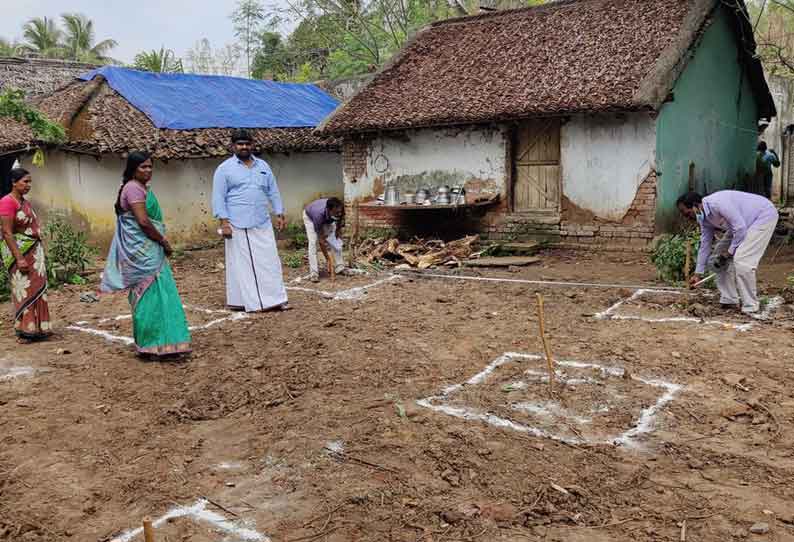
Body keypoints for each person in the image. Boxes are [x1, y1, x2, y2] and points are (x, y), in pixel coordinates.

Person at [101, 152, 192, 358]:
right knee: (150, 294)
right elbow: (142, 221)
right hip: (143, 252)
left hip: (148, 250)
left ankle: (166, 342)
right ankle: (152, 343)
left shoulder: (142, 188)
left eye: (150, 167)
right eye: (143, 167)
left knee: (160, 293)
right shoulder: (133, 188)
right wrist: (162, 240)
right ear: (133, 169)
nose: (148, 171)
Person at [212, 129, 289, 312]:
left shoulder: (263, 166)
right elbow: (218, 197)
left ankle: (276, 299)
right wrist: (224, 222)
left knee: (270, 261)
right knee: (243, 266)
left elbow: (273, 191)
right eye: (240, 144)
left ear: (252, 145)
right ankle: (250, 303)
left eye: (247, 143)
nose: (244, 147)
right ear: (233, 146)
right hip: (238, 224)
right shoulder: (224, 169)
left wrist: (279, 213)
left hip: (262, 221)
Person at [677, 190, 778, 314]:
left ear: (695, 205)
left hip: (762, 216)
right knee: (716, 259)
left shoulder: (718, 204)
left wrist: (729, 253)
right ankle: (729, 299)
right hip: (741, 225)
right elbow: (705, 244)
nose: (686, 217)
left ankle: (751, 305)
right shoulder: (704, 218)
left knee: (742, 260)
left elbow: (740, 229)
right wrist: (698, 273)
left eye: (686, 213)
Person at [0, 168, 52, 343]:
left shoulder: (24, 202)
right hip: (20, 253)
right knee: (24, 290)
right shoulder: (7, 202)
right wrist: (19, 258)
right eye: (25, 181)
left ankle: (39, 328)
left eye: (30, 182)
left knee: (38, 288)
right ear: (14, 182)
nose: (28, 185)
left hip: (34, 254)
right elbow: (7, 233)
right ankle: (25, 330)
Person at [303, 197, 346, 282]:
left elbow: (340, 219)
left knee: (336, 241)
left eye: (340, 211)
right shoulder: (318, 215)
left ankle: (340, 268)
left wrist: (338, 230)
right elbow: (321, 241)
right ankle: (314, 273)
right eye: (336, 212)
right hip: (310, 218)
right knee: (313, 243)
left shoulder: (340, 209)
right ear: (329, 210)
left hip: (327, 218)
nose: (339, 213)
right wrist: (328, 259)